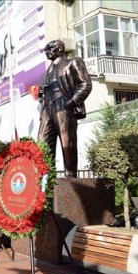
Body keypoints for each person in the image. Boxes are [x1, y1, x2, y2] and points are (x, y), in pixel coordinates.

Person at [37, 40, 92, 178]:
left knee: (67, 141)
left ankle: (70, 175)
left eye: (50, 48)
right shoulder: (47, 71)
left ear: (60, 48)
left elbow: (85, 84)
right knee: (42, 143)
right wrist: (40, 92)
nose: (47, 51)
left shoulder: (73, 62)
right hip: (47, 108)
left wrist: (72, 102)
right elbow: (40, 94)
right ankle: (46, 177)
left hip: (64, 104)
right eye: (45, 49)